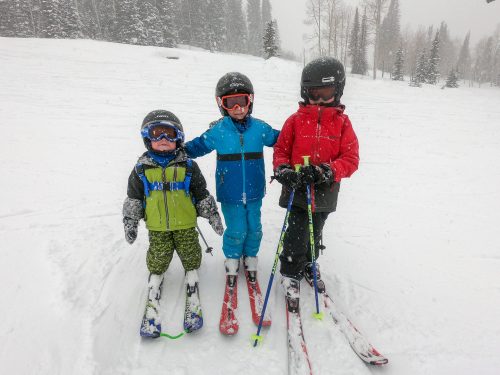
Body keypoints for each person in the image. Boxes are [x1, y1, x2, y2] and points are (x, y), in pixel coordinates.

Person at [122, 109, 224, 337]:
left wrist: (212, 214)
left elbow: (201, 193)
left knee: (190, 253)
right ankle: (156, 277)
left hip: (186, 224)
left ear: (179, 137)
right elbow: (134, 198)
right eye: (157, 134)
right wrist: (131, 221)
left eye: (169, 135)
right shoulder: (141, 169)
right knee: (158, 256)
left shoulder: (188, 166)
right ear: (148, 138)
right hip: (157, 227)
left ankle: (191, 274)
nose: (164, 140)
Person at [184, 72, 279, 312]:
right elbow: (196, 147)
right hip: (230, 191)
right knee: (236, 229)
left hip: (255, 191)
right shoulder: (219, 131)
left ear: (251, 101)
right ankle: (233, 259)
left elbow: (282, 140)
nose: (237, 108)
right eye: (230, 103)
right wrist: (174, 152)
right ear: (221, 104)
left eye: (241, 101)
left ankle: (251, 258)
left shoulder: (260, 128)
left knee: (254, 227)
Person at [273, 57, 359, 301]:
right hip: (298, 189)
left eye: (326, 94)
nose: (320, 100)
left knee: (315, 231)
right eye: (314, 94)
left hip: (325, 191)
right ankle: (290, 271)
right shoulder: (295, 121)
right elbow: (281, 151)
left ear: (338, 91)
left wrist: (327, 171)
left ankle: (310, 261)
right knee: (296, 233)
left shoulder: (343, 124)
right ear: (305, 92)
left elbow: (351, 159)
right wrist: (283, 171)